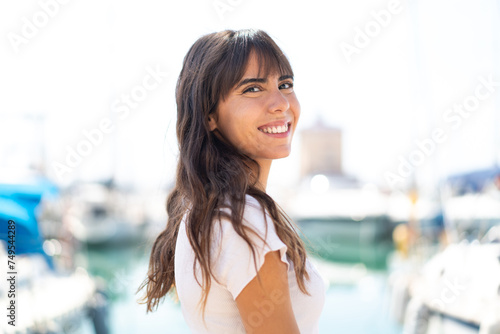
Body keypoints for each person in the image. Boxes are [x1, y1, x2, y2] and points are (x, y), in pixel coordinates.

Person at [138, 29, 326, 334]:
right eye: (253, 89)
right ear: (209, 115)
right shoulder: (241, 218)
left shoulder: (209, 211)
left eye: (285, 84)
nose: (280, 103)